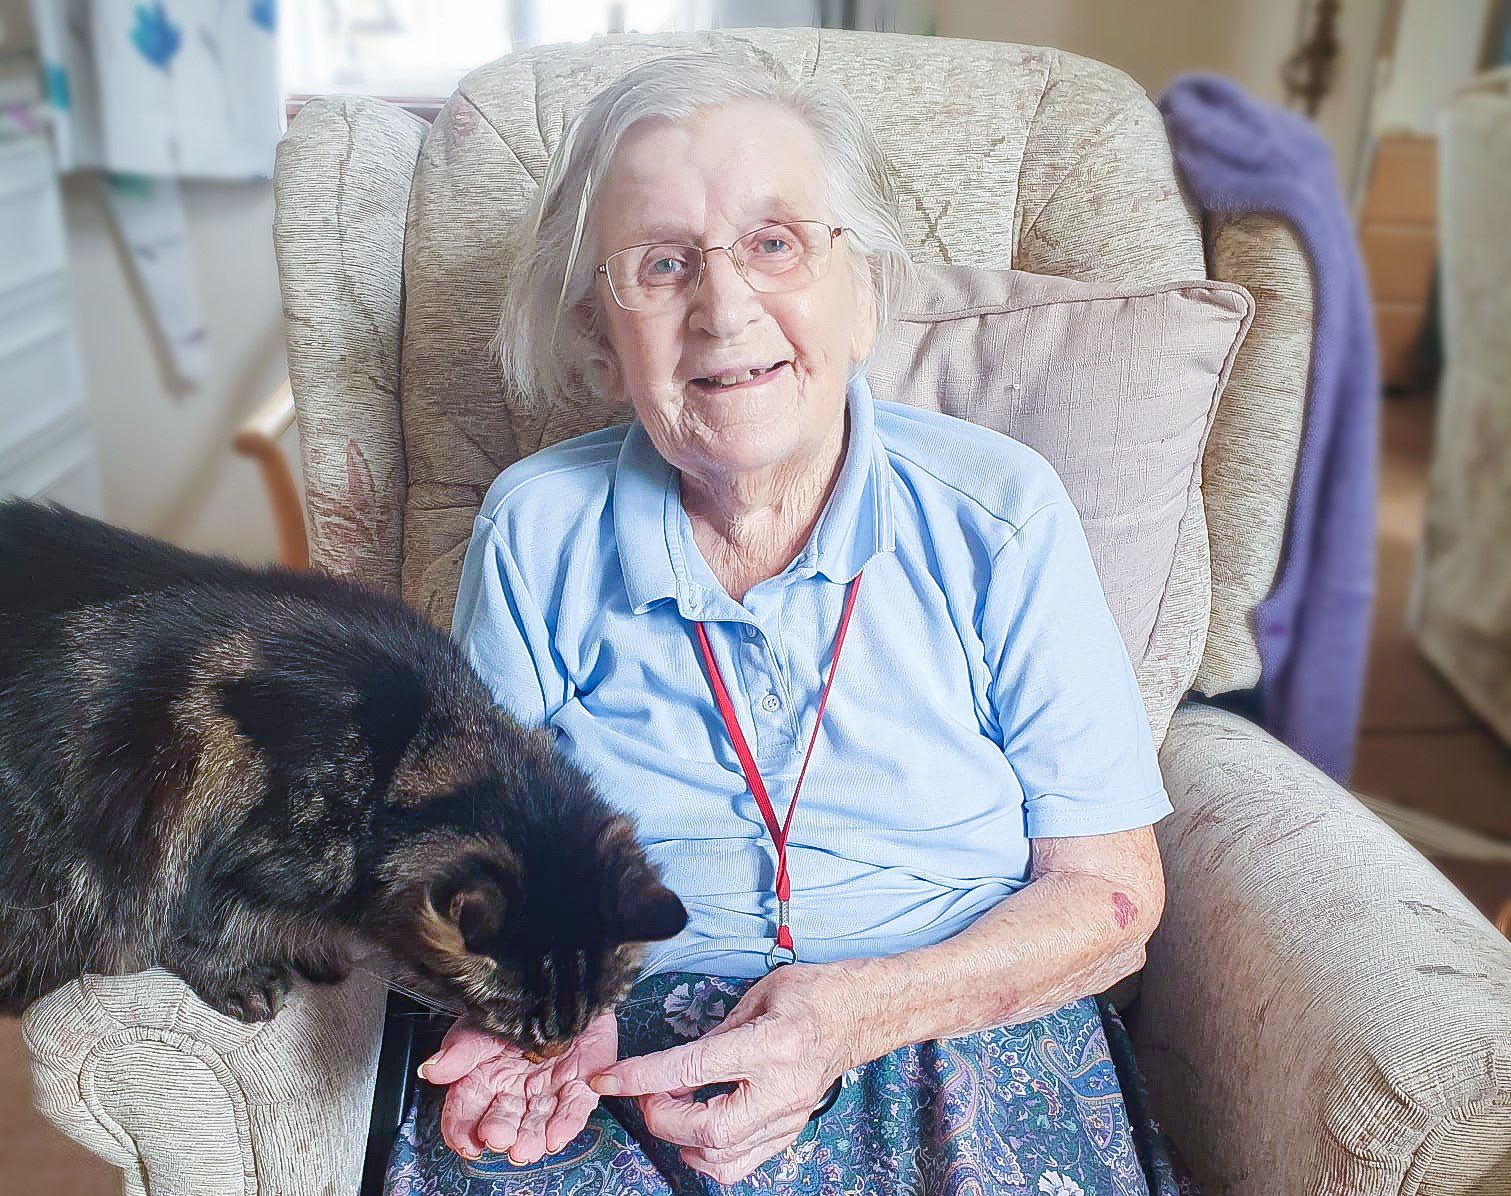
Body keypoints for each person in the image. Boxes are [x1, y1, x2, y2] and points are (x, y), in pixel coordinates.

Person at [385, 49, 1185, 1196]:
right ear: (603, 342)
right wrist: (546, 1000)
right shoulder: (537, 528)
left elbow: (1111, 898)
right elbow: (474, 846)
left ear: (860, 296)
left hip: (946, 1011)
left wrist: (854, 1010)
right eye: (660, 264)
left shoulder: (998, 513)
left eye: (774, 243)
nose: (723, 307)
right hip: (625, 1034)